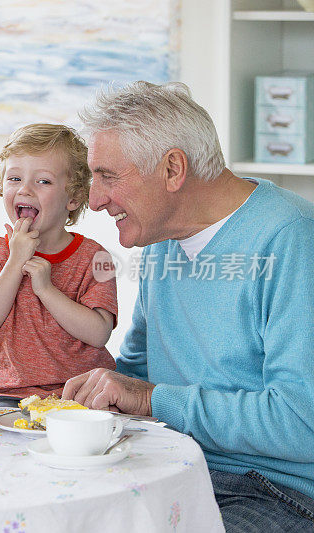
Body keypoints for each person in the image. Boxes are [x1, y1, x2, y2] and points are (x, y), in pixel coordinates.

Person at [62, 81, 314, 531]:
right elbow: (136, 376)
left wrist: (151, 399)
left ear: (173, 169)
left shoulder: (291, 239)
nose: (93, 199)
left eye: (107, 176)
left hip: (275, 491)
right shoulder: (163, 241)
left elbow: (301, 423)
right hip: (175, 467)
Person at [0, 123, 118, 408]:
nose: (24, 189)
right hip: (7, 393)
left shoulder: (96, 257)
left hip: (79, 393)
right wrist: (15, 261)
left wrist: (47, 290)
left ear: (73, 198)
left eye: (43, 181)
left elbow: (99, 334)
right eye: (14, 178)